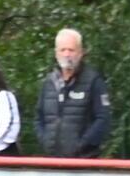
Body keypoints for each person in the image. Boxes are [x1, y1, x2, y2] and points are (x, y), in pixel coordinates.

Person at [34, 28, 112, 158]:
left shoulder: (93, 80)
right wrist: (46, 141)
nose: (67, 54)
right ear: (56, 53)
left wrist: (81, 145)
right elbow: (38, 117)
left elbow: (103, 119)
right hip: (53, 160)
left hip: (84, 161)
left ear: (81, 53)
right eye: (62, 50)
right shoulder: (49, 82)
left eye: (71, 50)